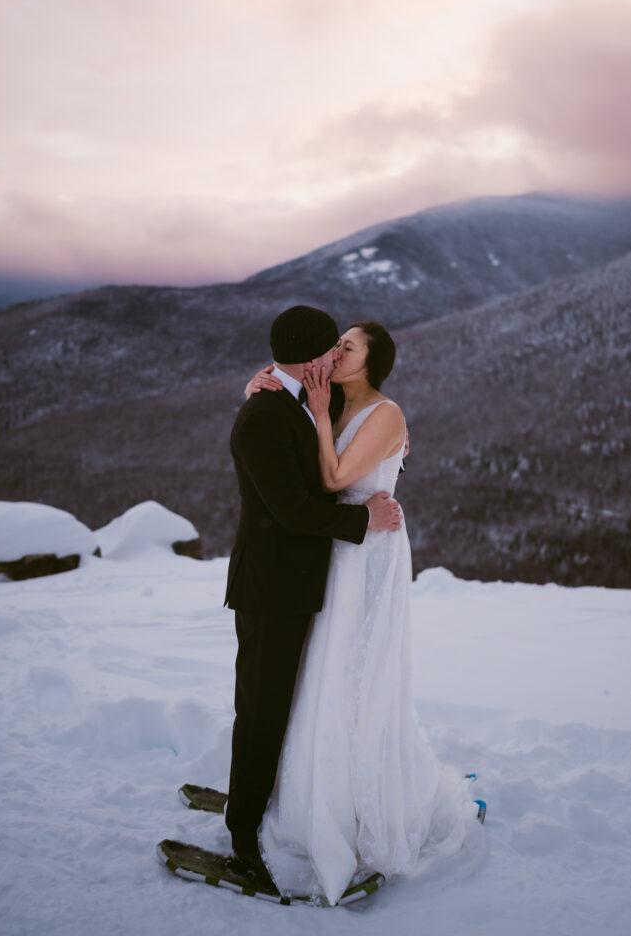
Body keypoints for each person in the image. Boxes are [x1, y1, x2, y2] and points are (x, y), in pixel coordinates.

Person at [247, 321, 477, 905]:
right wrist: (260, 388)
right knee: (324, 668)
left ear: (371, 362)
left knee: (359, 671)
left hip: (369, 555)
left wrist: (320, 413)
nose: (334, 353)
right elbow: (285, 435)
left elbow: (332, 477)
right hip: (336, 550)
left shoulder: (385, 413)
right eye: (335, 345)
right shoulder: (332, 399)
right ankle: (317, 785)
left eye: (346, 347)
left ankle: (363, 797)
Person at [223, 306, 402, 894]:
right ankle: (243, 837)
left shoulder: (301, 397)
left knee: (290, 702)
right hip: (271, 588)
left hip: (301, 583)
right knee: (262, 709)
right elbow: (294, 509)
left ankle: (281, 797)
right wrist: (363, 519)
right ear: (310, 359)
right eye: (331, 347)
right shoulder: (264, 416)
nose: (336, 355)